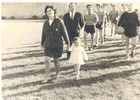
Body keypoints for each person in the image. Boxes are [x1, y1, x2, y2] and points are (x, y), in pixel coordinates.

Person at [41, 5, 70, 83]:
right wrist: (42, 43)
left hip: (57, 44)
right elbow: (43, 34)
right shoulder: (45, 23)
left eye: (50, 10)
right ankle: (47, 76)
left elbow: (64, 33)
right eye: (47, 11)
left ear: (54, 11)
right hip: (48, 44)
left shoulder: (59, 21)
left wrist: (68, 43)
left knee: (56, 60)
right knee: (47, 60)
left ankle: (57, 74)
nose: (49, 12)